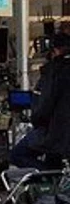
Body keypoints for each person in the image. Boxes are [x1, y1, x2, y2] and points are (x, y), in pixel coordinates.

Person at [10, 33, 70, 170]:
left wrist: (36, 120)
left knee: (17, 155)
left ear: (55, 50)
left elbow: (44, 106)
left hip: (53, 132)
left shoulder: (54, 71)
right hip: (61, 136)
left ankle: (49, 175)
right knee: (54, 157)